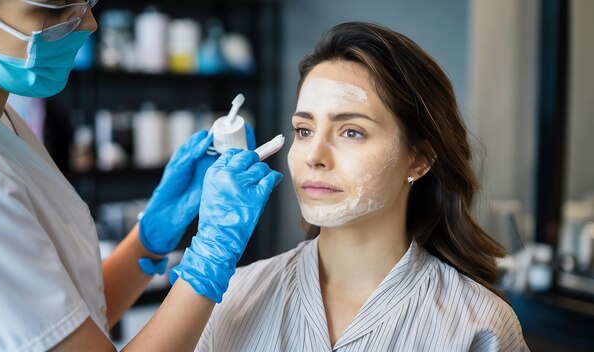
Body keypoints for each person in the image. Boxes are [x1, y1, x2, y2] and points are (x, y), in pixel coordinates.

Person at [193, 22, 530, 351]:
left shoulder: (480, 326)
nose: (314, 156)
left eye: (351, 131)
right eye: (304, 130)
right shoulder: (231, 296)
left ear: (419, 159)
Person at [0, 1, 282, 351]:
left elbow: (63, 315)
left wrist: (146, 240)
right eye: (57, 9)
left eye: (87, 3)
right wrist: (209, 259)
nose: (89, 24)